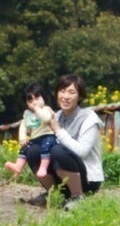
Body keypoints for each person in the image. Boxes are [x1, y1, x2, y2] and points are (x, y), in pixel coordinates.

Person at [40, 72, 104, 205]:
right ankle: (52, 193)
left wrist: (57, 130)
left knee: (58, 150)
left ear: (80, 96)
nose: (66, 97)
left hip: (87, 180)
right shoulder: (56, 116)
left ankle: (77, 196)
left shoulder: (89, 118)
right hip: (62, 178)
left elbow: (82, 152)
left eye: (71, 92)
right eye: (62, 91)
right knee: (34, 150)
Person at [6, 87, 56, 181]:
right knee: (25, 148)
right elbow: (23, 125)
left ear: (44, 98)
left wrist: (37, 109)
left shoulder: (46, 109)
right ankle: (18, 166)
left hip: (48, 136)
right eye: (30, 100)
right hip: (35, 138)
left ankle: (43, 167)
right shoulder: (28, 114)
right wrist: (22, 137)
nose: (34, 102)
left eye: (37, 98)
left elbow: (46, 118)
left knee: (46, 146)